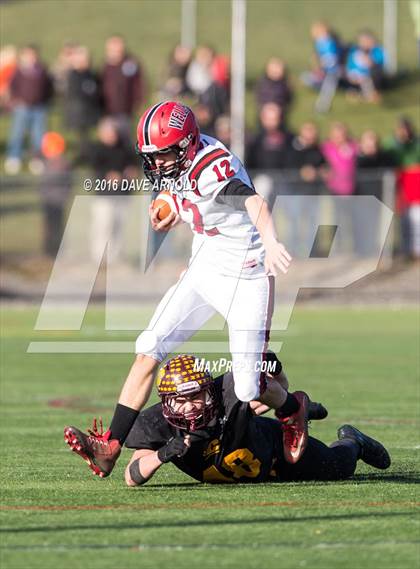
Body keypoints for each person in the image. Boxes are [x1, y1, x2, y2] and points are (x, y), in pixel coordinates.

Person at [64, 101, 308, 479]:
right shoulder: (178, 161)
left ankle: (292, 407)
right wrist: (169, 208)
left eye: (163, 155)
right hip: (207, 265)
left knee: (247, 387)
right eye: (152, 156)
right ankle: (110, 445)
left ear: (187, 145)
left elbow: (254, 202)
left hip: (246, 273)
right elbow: (181, 194)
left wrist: (272, 241)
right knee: (149, 346)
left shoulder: (213, 168)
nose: (157, 164)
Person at [120, 353, 390, 486]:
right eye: (180, 400)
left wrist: (274, 367)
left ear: (209, 390)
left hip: (276, 451)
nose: (189, 406)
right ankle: (309, 411)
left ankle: (354, 441)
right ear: (166, 401)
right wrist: (163, 455)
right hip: (245, 470)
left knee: (340, 468)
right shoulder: (155, 423)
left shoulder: (228, 392)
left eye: (197, 396)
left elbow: (278, 388)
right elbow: (131, 477)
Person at [77, 117, 138, 264]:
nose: (112, 135)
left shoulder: (125, 148)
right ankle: (99, 257)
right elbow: (94, 170)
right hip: (104, 196)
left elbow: (134, 165)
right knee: (103, 226)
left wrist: (130, 171)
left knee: (119, 226)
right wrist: (108, 176)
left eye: (114, 131)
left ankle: (115, 257)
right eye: (108, 132)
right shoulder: (96, 150)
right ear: (101, 133)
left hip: (123, 195)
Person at [5, 45, 53, 175]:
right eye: (27, 55)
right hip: (22, 107)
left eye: (33, 55)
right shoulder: (19, 71)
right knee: (17, 133)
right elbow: (12, 86)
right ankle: (14, 157)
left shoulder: (42, 70)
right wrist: (15, 100)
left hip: (39, 108)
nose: (31, 58)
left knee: (38, 135)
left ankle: (37, 159)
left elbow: (49, 87)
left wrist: (45, 101)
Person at [285, 122, 327, 256]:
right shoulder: (292, 149)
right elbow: (287, 167)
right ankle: (293, 249)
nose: (311, 136)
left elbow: (324, 167)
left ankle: (312, 250)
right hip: (296, 191)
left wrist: (319, 172)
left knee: (313, 221)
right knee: (295, 221)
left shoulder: (317, 149)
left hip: (313, 192)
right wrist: (301, 173)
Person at [101, 35, 145, 135]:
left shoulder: (130, 63)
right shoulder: (105, 66)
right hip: (107, 111)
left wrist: (138, 103)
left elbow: (139, 85)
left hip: (125, 111)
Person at [39, 132, 72, 258]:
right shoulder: (47, 162)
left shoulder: (62, 163)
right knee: (49, 226)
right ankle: (49, 251)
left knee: (57, 227)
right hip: (49, 200)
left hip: (58, 200)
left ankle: (58, 251)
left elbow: (67, 184)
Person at [62, 46, 102, 145]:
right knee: (81, 139)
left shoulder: (92, 75)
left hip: (90, 113)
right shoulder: (73, 76)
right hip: (79, 114)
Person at [346, 31, 387, 103]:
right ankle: (360, 94)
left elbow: (378, 64)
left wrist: (369, 59)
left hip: (371, 76)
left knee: (367, 79)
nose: (363, 43)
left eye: (365, 41)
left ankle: (370, 95)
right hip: (356, 76)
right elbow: (350, 66)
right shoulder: (354, 51)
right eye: (362, 41)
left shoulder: (377, 50)